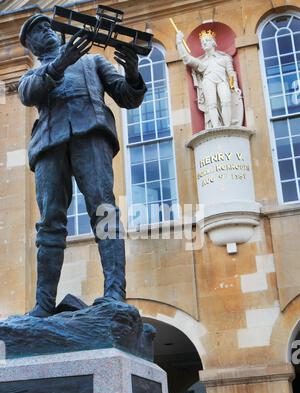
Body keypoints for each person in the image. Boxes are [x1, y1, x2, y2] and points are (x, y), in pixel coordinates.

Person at [18, 14, 147, 318]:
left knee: (104, 211)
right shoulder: (34, 73)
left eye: (47, 26)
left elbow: (127, 97)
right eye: (37, 30)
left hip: (91, 135)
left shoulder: (92, 63)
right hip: (50, 144)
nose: (46, 31)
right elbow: (29, 94)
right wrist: (61, 62)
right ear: (31, 45)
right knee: (50, 223)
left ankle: (114, 291)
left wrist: (132, 72)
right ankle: (44, 304)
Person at [176, 29, 243, 128]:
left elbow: (231, 73)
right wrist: (179, 42)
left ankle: (228, 127)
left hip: (222, 80)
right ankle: (216, 128)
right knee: (211, 105)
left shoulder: (224, 58)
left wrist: (234, 86)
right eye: (202, 42)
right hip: (208, 81)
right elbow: (186, 58)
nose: (204, 43)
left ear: (213, 42)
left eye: (207, 40)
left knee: (226, 102)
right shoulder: (202, 62)